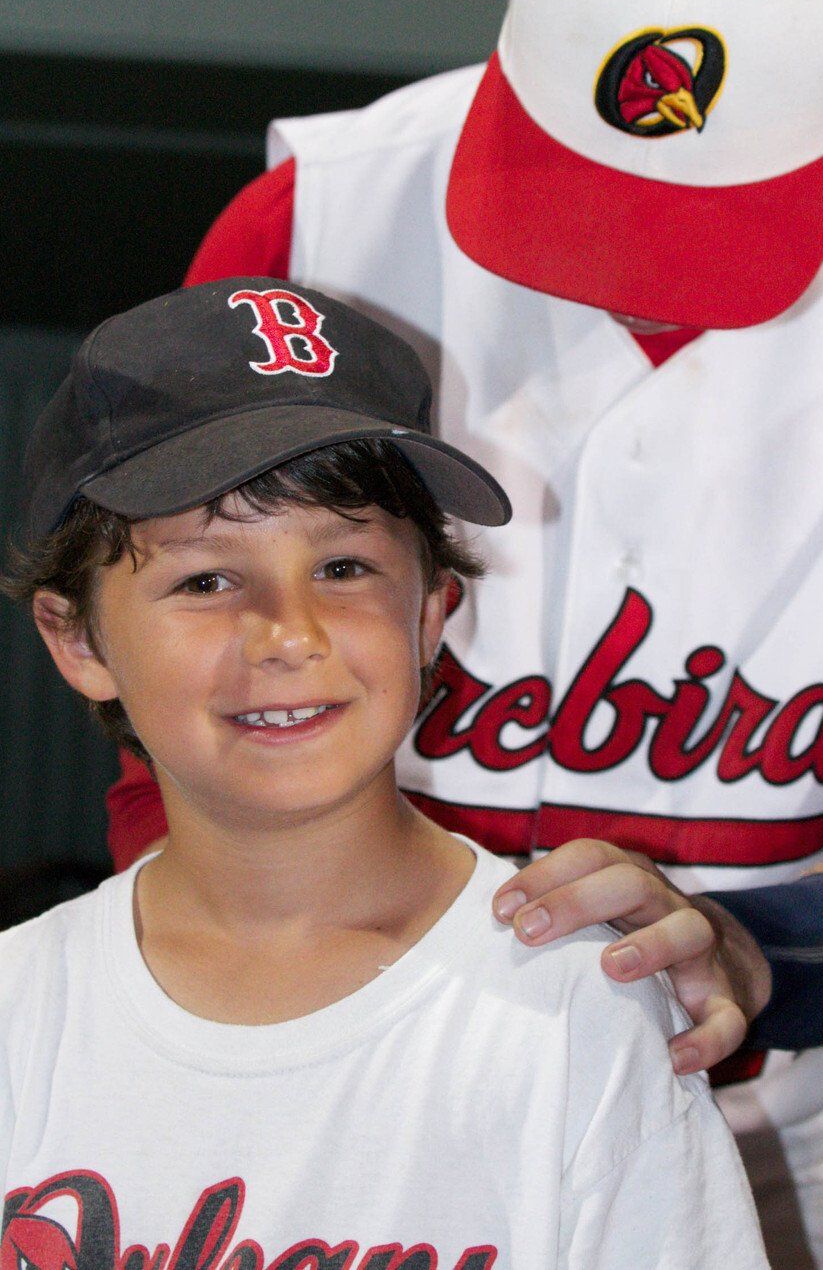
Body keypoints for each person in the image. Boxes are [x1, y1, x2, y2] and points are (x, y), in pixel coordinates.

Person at [104, 0, 823, 1265]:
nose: (630, 265)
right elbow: (169, 707)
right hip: (302, 1111)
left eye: (718, 206)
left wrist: (757, 952)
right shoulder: (314, 231)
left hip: (737, 1154)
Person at [0, 278, 770, 1270]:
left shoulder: (578, 1005)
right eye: (206, 579)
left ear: (430, 611)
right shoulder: (21, 1012)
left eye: (343, 568)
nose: (288, 633)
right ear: (77, 639)